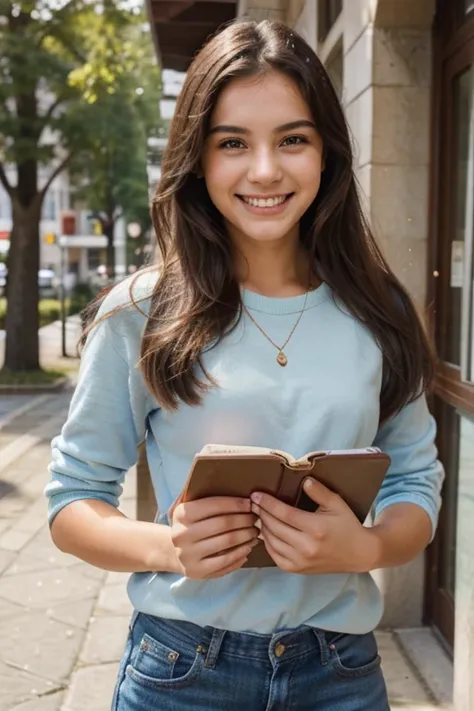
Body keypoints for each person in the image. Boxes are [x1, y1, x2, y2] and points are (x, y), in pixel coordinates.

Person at [45, 19, 444, 711]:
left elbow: (416, 481)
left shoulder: (381, 310)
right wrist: (169, 546)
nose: (265, 171)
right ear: (198, 159)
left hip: (340, 671)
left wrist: (363, 547)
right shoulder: (140, 311)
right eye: (233, 143)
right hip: (181, 669)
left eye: (293, 139)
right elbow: (71, 502)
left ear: (327, 154)